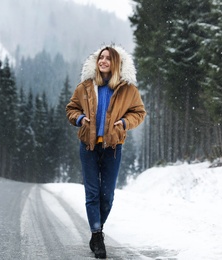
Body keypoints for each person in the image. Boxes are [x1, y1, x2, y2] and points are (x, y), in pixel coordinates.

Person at [66, 45, 146, 259]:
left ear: (116, 63)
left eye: (108, 59)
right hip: (88, 146)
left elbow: (139, 112)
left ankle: (96, 230)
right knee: (92, 193)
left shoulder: (127, 89)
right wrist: (81, 119)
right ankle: (97, 234)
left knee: (107, 196)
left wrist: (124, 122)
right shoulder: (85, 87)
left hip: (112, 147)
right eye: (100, 57)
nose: (102, 61)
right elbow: (71, 109)